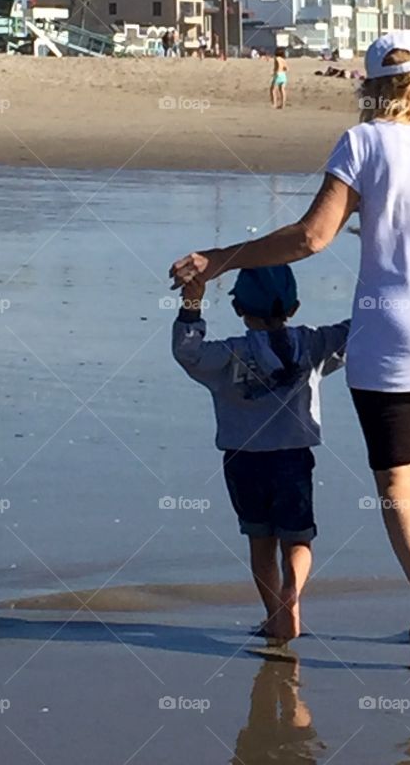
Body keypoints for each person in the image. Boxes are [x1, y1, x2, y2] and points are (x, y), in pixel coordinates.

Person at [170, 30, 410, 668]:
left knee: (396, 482)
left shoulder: (364, 142)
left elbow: (310, 238)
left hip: (391, 333)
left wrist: (218, 260)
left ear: (371, 87)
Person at [171, 265, 349, 643]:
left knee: (260, 542)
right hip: (294, 458)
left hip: (243, 460)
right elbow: (357, 333)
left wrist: (191, 306)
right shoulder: (311, 343)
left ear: (239, 309)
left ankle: (275, 615)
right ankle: (293, 594)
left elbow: (188, 353)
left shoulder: (229, 353)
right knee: (298, 538)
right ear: (295, 306)